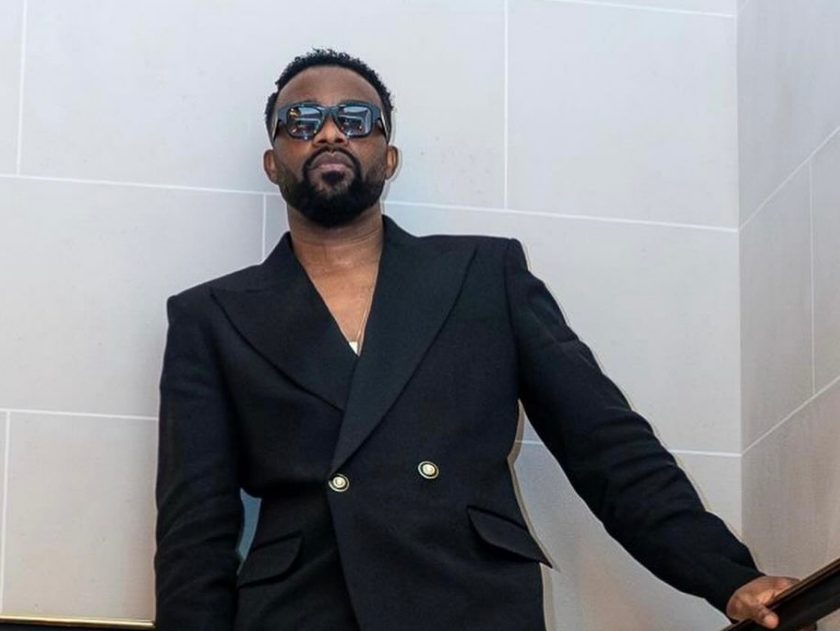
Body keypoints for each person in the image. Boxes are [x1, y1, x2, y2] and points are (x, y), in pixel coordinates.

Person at [154, 48, 807, 631]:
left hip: (470, 601)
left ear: (389, 157)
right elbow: (194, 532)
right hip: (303, 610)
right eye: (301, 121)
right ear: (273, 163)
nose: (329, 132)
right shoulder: (209, 317)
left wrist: (729, 577)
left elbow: (607, 447)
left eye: (356, 118)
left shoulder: (485, 275)